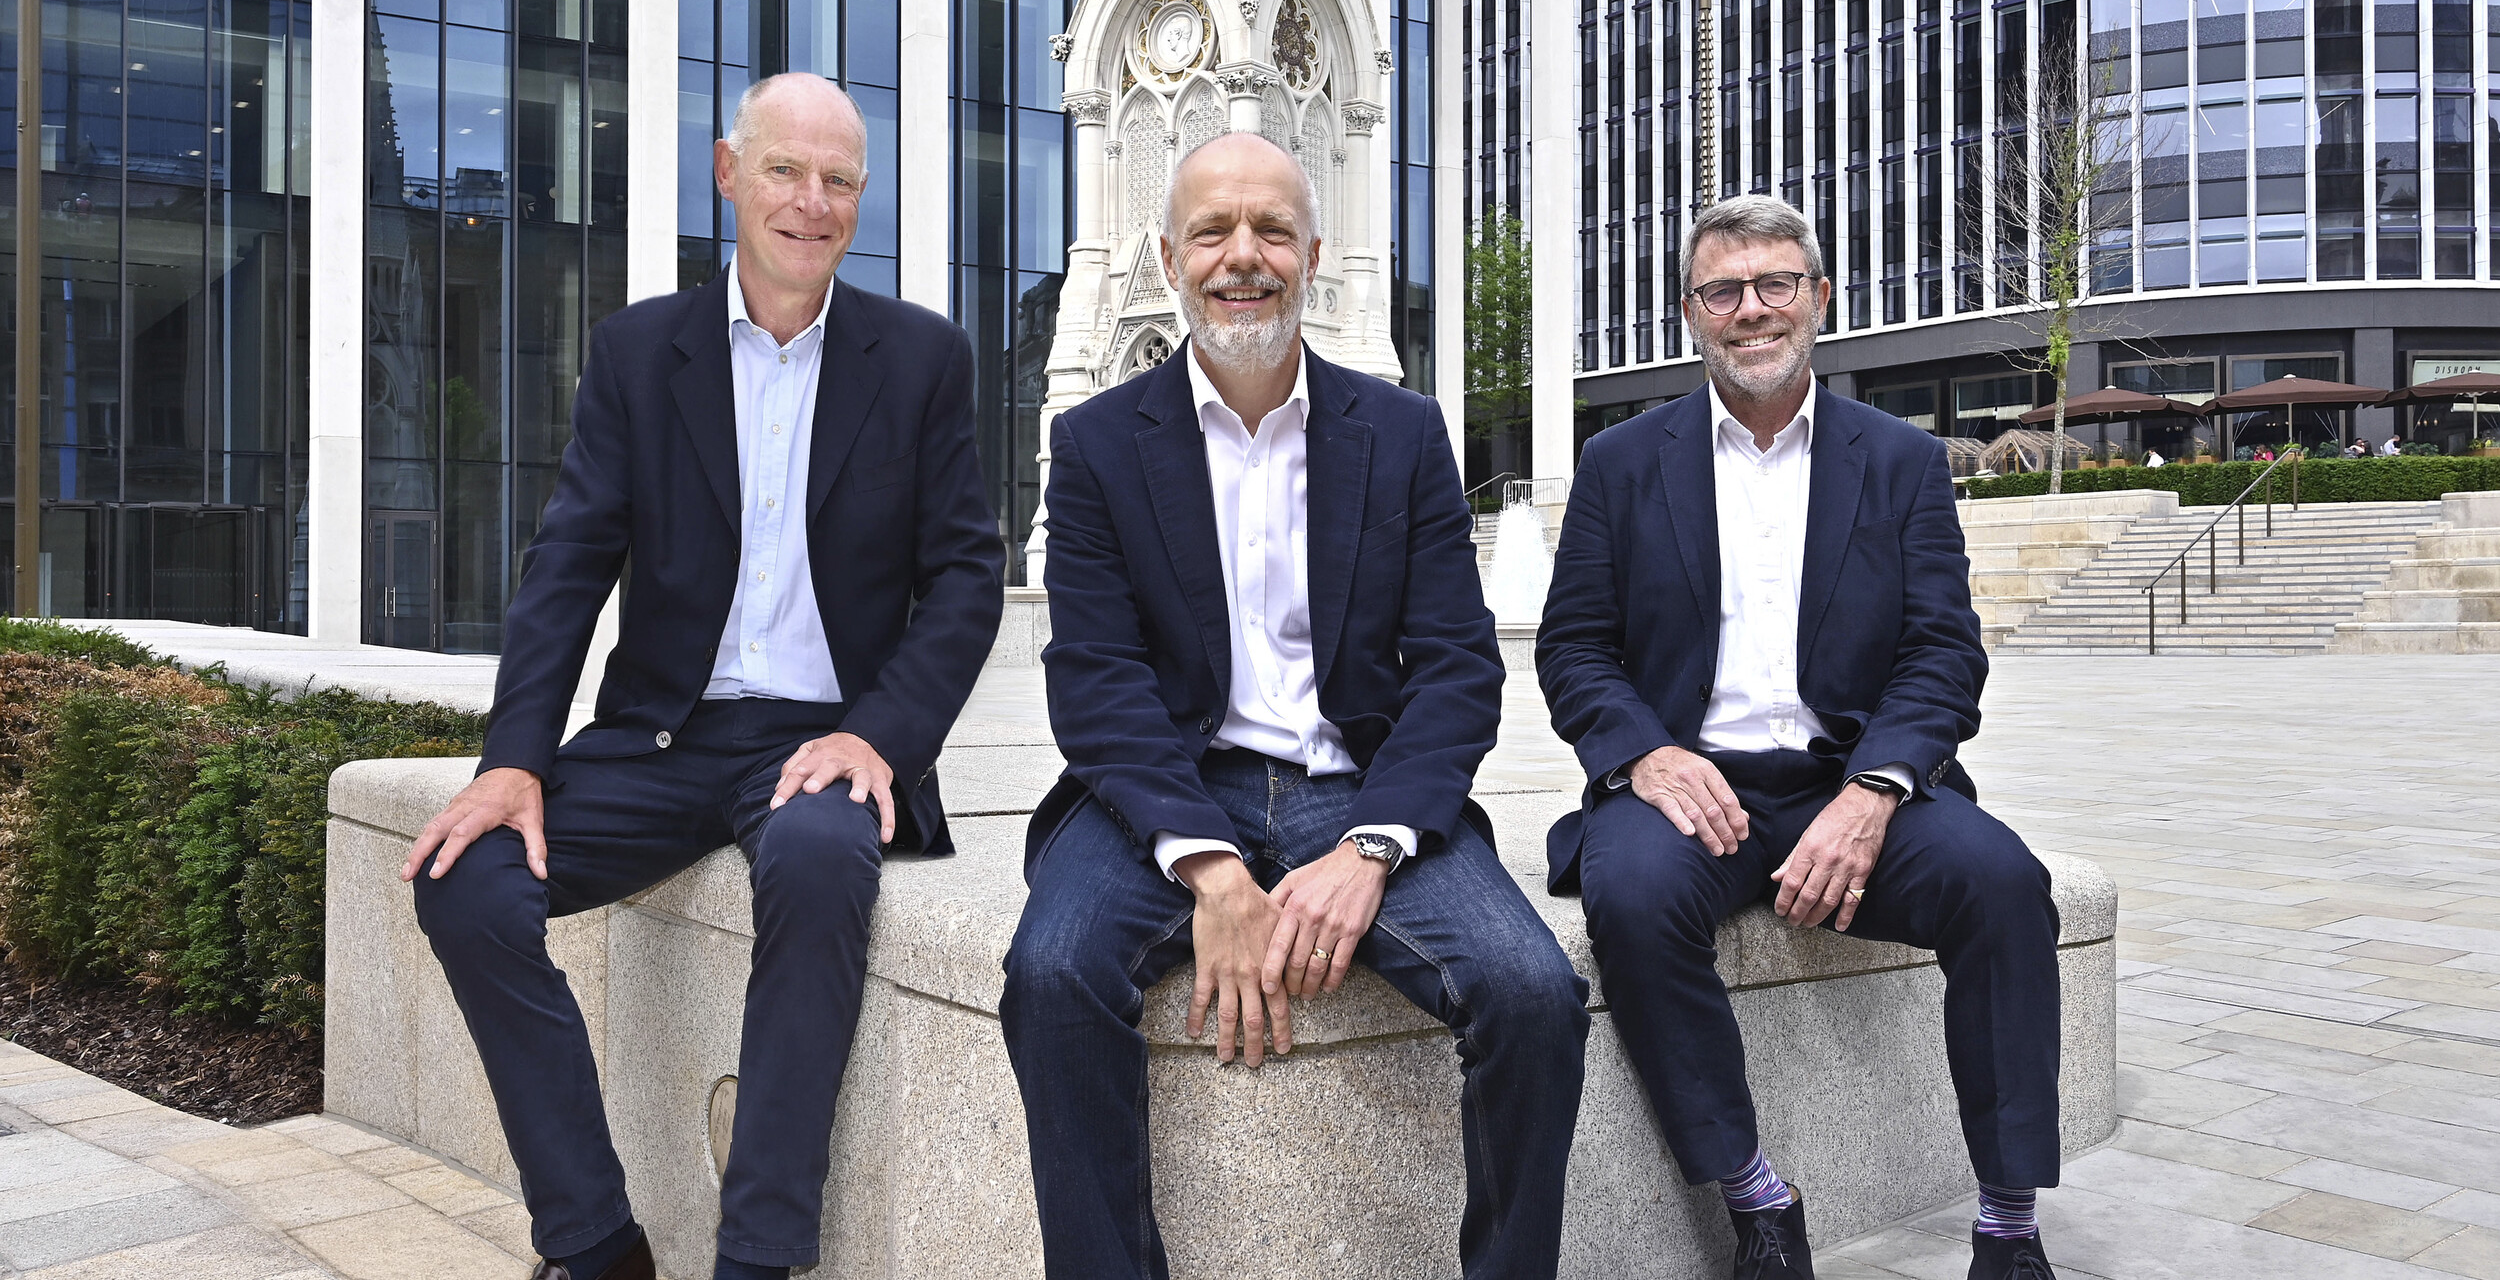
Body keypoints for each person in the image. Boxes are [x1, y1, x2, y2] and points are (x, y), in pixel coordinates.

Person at [402, 74, 1005, 1280]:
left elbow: (966, 578)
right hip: (661, 738)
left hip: (826, 741)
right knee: (463, 886)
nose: (811, 201)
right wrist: (514, 759)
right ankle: (596, 1242)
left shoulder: (922, 359)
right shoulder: (639, 351)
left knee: (823, 866)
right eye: (786, 170)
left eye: (838, 180)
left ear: (861, 199)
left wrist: (881, 737)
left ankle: (758, 1259)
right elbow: (568, 564)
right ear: (729, 172)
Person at [1002, 131, 1589, 1280]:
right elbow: (1096, 679)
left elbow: (1460, 668)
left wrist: (1374, 845)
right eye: (1213, 230)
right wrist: (1211, 871)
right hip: (1172, 790)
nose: (1243, 256)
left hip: (1354, 789)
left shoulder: (1402, 432)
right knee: (1051, 975)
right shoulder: (1094, 444)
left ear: (1313, 251)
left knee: (1532, 994)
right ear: (1169, 257)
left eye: (1271, 228)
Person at [1538, 194, 2065, 1280]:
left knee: (2006, 884)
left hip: (1852, 780)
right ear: (1691, 313)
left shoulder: (1900, 460)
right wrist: (1645, 754)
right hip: (1692, 789)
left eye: (1775, 283)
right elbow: (1574, 648)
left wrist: (1875, 789)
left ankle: (2007, 1225)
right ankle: (1758, 1201)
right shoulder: (1622, 463)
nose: (1751, 310)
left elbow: (1941, 652)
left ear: (1818, 299)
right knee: (1629, 898)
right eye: (1722, 290)